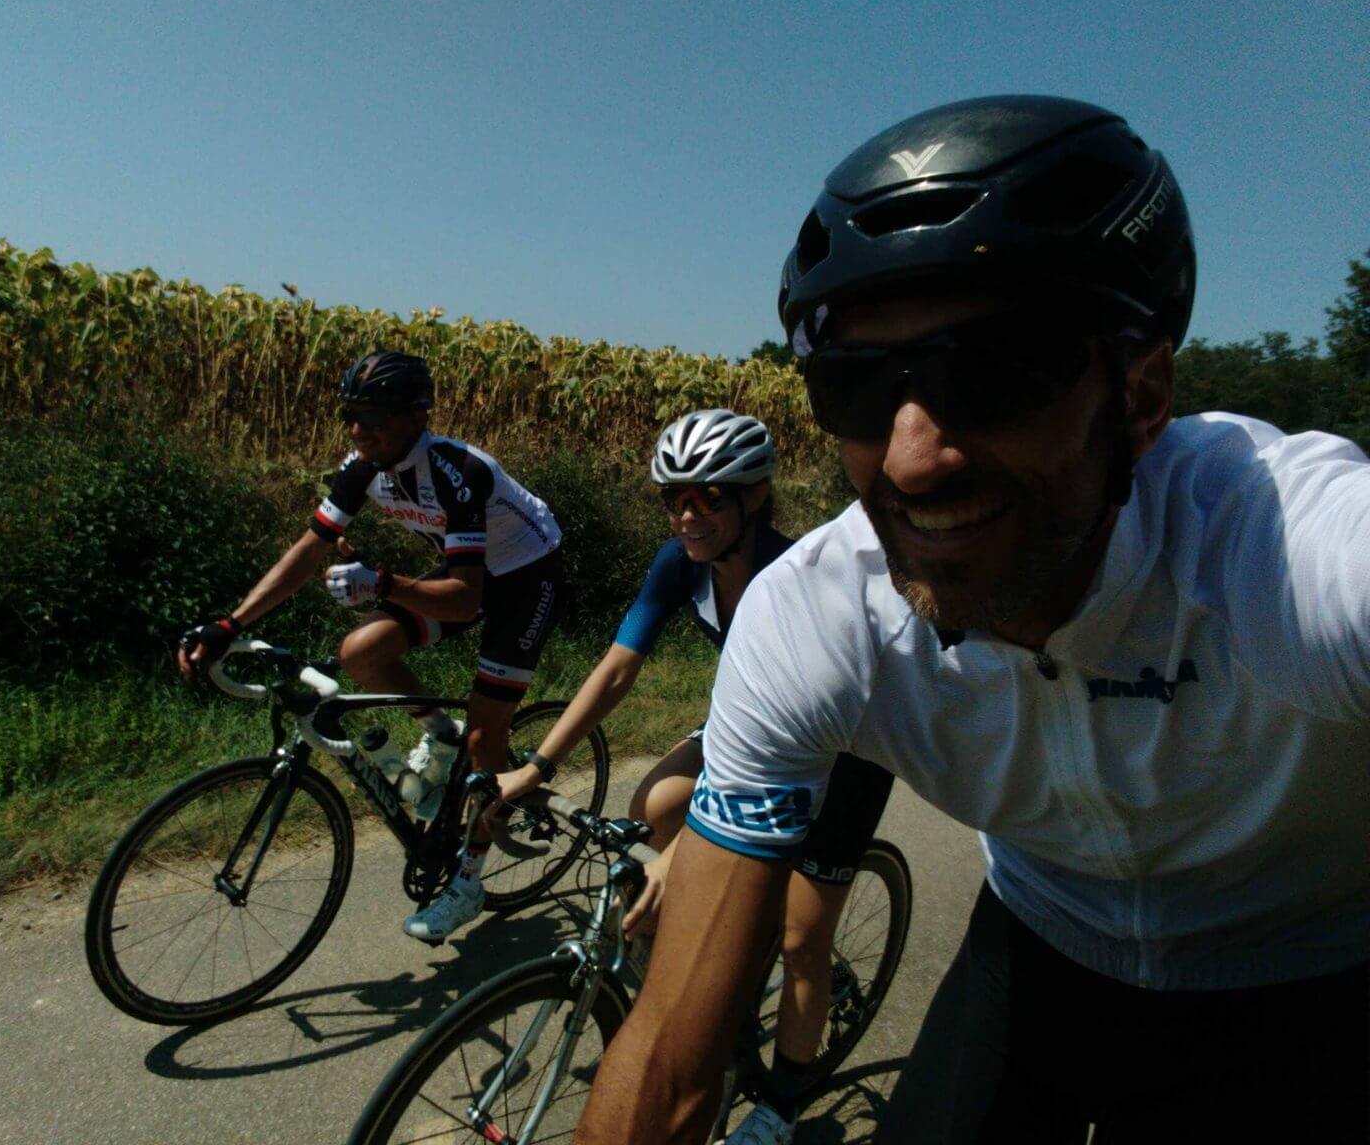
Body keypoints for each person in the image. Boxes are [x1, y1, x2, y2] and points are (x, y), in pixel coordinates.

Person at [576, 95, 1369, 1143]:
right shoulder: (814, 611)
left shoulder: (1282, 547)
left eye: (991, 371)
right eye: (852, 388)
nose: (911, 457)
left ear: (1139, 398)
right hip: (1045, 941)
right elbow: (673, 1055)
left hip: (1311, 976)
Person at [496, 407, 896, 1144]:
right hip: (755, 726)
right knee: (655, 803)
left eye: (708, 496)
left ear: (755, 498)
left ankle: (778, 1107)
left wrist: (687, 860)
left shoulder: (796, 576)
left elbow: (790, 763)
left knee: (804, 939)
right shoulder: (680, 563)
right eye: (671, 497)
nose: (687, 513)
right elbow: (618, 668)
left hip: (842, 753)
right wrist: (538, 765)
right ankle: (719, 960)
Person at [180, 350, 566, 942]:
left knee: (490, 736)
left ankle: (468, 879)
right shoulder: (364, 466)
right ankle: (443, 736)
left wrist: (383, 583)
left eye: (374, 416)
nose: (359, 429)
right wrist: (229, 625)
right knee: (362, 652)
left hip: (524, 579)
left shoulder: (457, 471)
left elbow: (464, 601)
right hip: (465, 575)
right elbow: (309, 550)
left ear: (415, 415)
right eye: (350, 415)